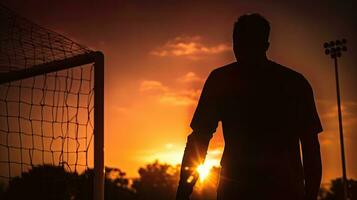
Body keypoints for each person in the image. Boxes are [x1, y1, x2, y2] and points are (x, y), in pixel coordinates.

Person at [176, 13, 323, 200]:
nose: (241, 51)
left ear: (265, 46)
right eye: (239, 44)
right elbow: (311, 148)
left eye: (246, 44)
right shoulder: (294, 83)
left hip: (242, 188)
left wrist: (183, 192)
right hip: (279, 188)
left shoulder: (222, 80)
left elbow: (199, 138)